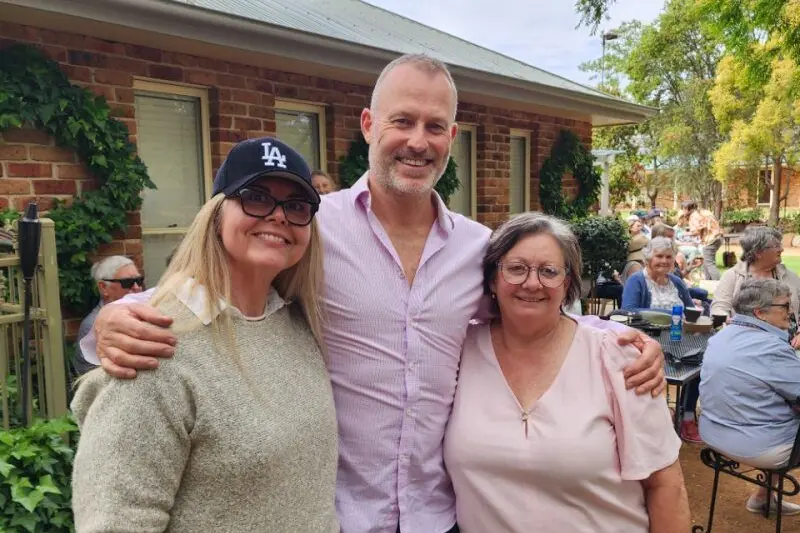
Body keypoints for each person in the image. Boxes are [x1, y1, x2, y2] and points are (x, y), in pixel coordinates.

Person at [80, 54, 666, 533]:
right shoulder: (308, 228)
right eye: (401, 121)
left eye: (434, 127)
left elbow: (532, 309)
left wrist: (618, 337)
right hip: (339, 515)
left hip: (440, 516)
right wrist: (114, 318)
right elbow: (213, 283)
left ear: (451, 137)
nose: (418, 141)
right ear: (368, 126)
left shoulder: (477, 248)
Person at [71, 138, 340, 532]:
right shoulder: (153, 345)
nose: (279, 216)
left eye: (297, 206)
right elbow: (116, 521)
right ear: (216, 214)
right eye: (256, 197)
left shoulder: (296, 323)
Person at [443, 213, 690, 532]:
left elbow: (665, 485)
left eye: (549, 271)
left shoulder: (620, 358)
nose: (532, 283)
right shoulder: (457, 351)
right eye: (516, 268)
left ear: (568, 283)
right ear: (492, 279)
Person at [700, 279, 800, 516]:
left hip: (715, 435)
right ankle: (764, 497)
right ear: (759, 313)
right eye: (784, 307)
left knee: (769, 412)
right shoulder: (770, 348)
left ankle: (763, 497)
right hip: (761, 446)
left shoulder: (720, 337)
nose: (791, 312)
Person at [622, 237, 702, 443]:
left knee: (701, 363)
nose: (664, 261)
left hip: (679, 338)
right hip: (646, 341)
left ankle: (687, 415)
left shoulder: (675, 281)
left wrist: (700, 309)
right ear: (649, 258)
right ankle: (652, 420)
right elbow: (628, 310)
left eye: (668, 256)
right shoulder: (637, 281)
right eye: (659, 256)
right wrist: (667, 313)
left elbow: (689, 307)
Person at [712, 226, 800, 346]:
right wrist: (730, 324)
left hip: (786, 343)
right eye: (776, 246)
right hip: (744, 341)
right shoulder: (733, 276)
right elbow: (719, 307)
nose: (782, 249)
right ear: (758, 252)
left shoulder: (789, 277)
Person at [72, 255, 143, 376]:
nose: (136, 287)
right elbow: (93, 376)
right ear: (104, 287)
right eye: (127, 282)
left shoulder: (143, 313)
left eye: (139, 280)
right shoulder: (93, 324)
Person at [682, 200, 722, 280]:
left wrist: (685, 234)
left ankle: (717, 284)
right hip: (717, 237)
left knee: (710, 263)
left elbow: (696, 231)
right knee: (706, 263)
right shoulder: (702, 212)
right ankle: (708, 282)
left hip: (711, 239)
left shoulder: (694, 216)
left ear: (687, 208)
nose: (682, 211)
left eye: (683, 209)